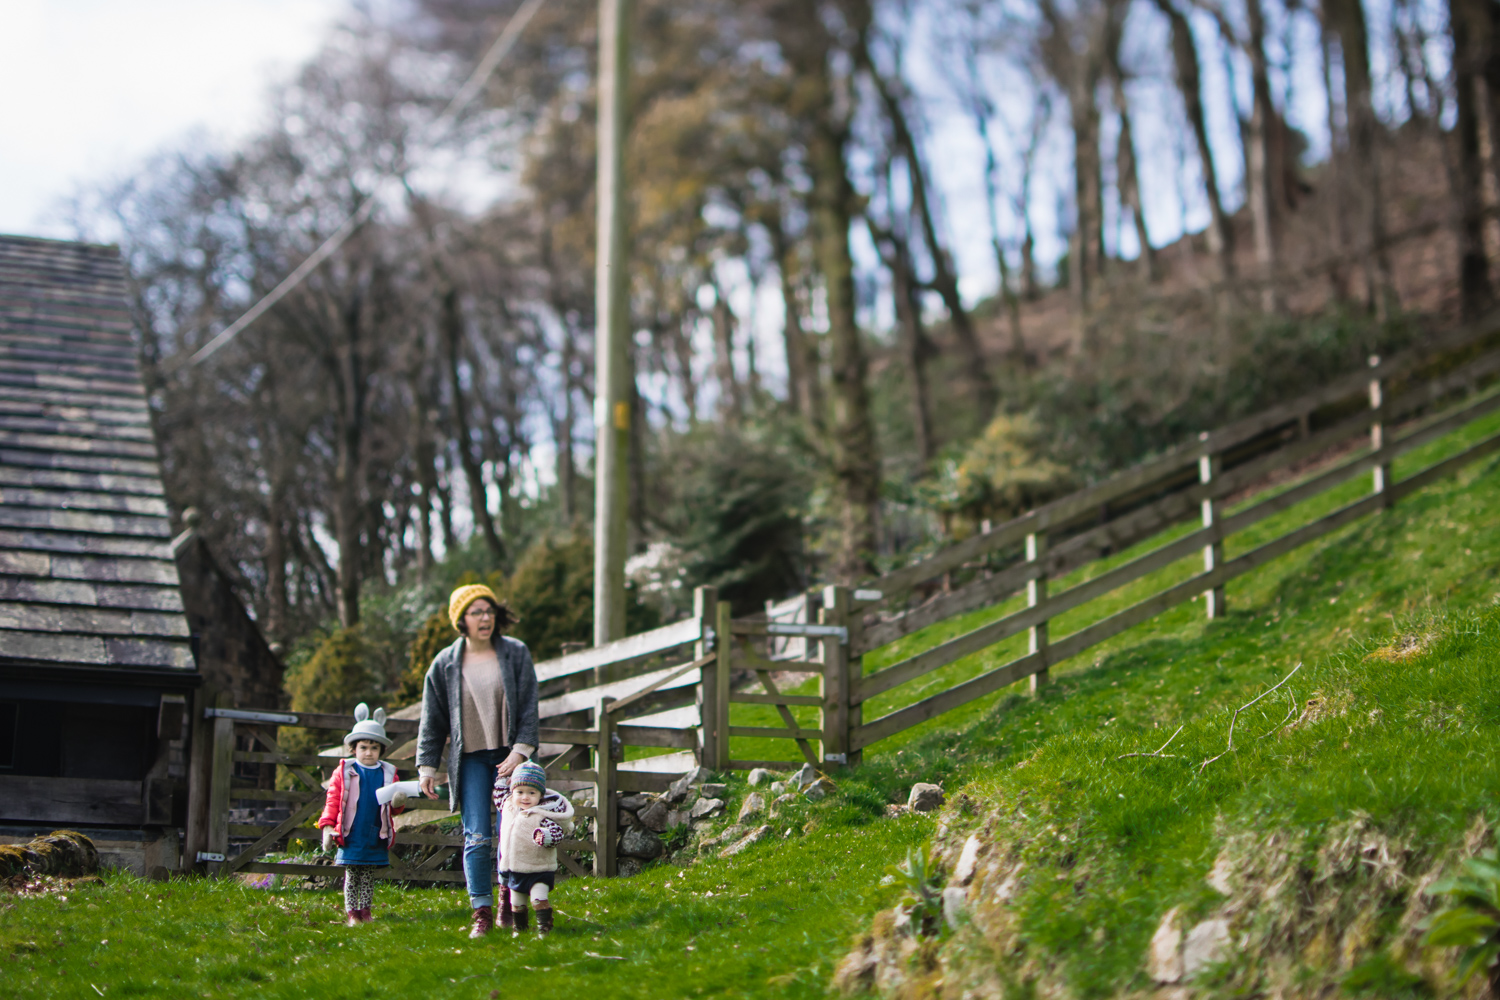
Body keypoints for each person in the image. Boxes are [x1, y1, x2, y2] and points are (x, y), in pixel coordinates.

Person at [416, 583, 540, 938]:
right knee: (476, 835)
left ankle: (506, 899)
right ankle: (480, 912)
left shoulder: (516, 653)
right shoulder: (445, 663)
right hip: (469, 759)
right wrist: (427, 766)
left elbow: (530, 704)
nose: (485, 618)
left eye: (489, 611)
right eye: (476, 612)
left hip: (509, 757)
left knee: (511, 832)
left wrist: (521, 751)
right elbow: (433, 718)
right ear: (461, 620)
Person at [316, 703, 406, 927]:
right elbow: (333, 800)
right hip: (351, 833)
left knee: (367, 875)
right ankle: (352, 913)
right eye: (364, 747)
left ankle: (365, 911)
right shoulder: (344, 772)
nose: (368, 752)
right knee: (352, 874)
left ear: (381, 751)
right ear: (354, 749)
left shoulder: (387, 773)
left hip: (374, 833)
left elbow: (392, 809)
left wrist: (398, 802)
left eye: (374, 748)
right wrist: (327, 827)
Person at [493, 761, 574, 936]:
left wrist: (546, 836)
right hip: (515, 868)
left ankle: (544, 929)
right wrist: (502, 777)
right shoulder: (508, 806)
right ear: (512, 792)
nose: (525, 797)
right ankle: (519, 930)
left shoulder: (543, 814)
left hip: (539, 869)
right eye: (520, 792)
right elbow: (498, 793)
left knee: (538, 898)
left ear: (540, 795)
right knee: (517, 902)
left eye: (532, 793)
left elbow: (557, 833)